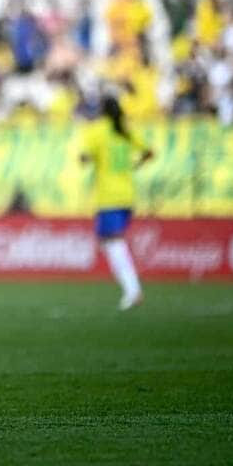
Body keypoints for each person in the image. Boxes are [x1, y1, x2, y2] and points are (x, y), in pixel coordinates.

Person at [79, 95, 154, 310]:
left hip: (109, 196)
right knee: (106, 241)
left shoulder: (98, 130)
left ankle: (133, 290)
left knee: (113, 242)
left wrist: (88, 159)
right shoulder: (125, 129)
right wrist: (134, 166)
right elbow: (149, 151)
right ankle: (131, 288)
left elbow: (85, 157)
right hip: (128, 194)